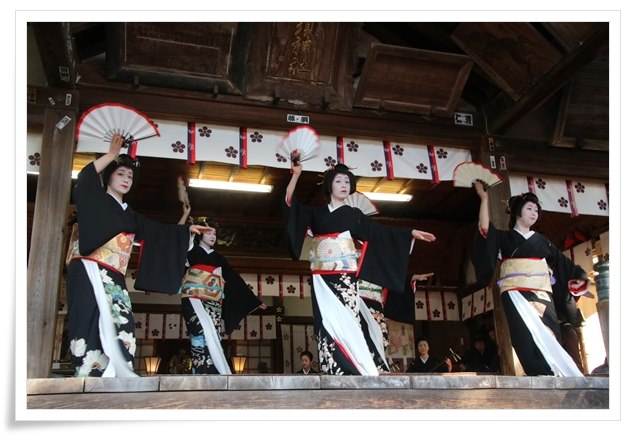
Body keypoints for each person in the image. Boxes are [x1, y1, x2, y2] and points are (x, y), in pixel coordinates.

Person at [65, 133, 212, 377]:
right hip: (90, 268)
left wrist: (187, 230)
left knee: (123, 324)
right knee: (89, 318)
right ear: (108, 177)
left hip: (114, 275)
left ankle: (117, 371)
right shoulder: (97, 199)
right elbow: (85, 178)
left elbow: (156, 232)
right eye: (120, 173)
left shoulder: (130, 215)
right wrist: (111, 155)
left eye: (130, 176)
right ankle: (88, 373)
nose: (126, 179)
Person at [284, 162, 436, 375]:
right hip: (321, 277)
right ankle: (333, 367)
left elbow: (379, 233)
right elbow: (291, 204)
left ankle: (356, 363)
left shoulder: (353, 214)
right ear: (329, 186)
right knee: (325, 322)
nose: (344, 184)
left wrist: (408, 233)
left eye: (347, 181)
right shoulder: (316, 213)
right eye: (338, 181)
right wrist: (296, 175)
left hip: (345, 277)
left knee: (348, 319)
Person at [472, 182, 590, 376]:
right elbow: (485, 230)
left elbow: (563, 263)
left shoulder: (543, 241)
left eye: (536, 210)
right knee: (522, 337)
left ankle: (553, 372)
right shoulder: (504, 238)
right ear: (517, 211)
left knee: (549, 334)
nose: (534, 213)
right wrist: (484, 199)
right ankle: (537, 373)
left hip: (541, 293)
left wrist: (580, 279)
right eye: (529, 208)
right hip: (515, 293)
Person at [178, 213, 266, 374]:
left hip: (213, 302)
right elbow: (176, 242)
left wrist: (254, 300)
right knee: (198, 332)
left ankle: (213, 370)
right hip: (193, 298)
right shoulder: (189, 250)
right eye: (209, 232)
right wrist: (186, 221)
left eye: (215, 233)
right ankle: (200, 369)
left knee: (213, 333)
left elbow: (234, 280)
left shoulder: (219, 258)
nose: (213, 236)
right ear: (199, 233)